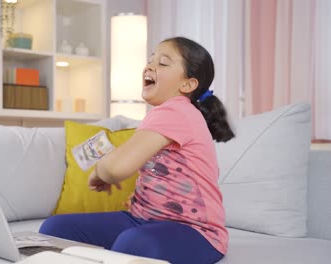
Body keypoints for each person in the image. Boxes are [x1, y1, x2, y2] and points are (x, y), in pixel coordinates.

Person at [39, 36, 235, 264]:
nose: (150, 66)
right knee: (55, 228)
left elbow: (115, 169)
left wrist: (102, 171)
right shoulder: (161, 115)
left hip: (197, 232)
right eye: (150, 59)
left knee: (133, 243)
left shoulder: (178, 111)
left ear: (187, 84)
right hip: (142, 219)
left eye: (163, 63)